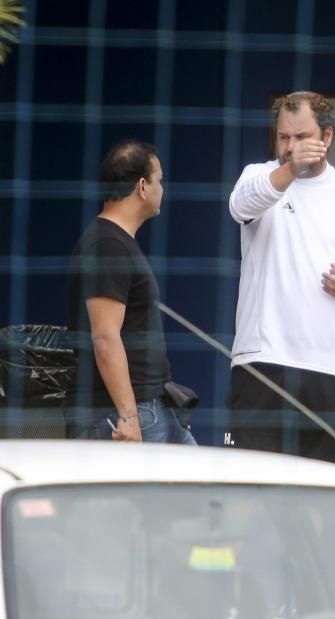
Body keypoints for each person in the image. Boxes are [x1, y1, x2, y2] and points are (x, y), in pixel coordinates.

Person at [227, 91, 335, 463]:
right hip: (262, 361)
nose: (291, 147)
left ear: (328, 137)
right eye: (284, 137)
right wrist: (288, 169)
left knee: (325, 491)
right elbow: (240, 206)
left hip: (329, 367)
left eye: (301, 137)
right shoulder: (259, 176)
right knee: (251, 484)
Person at [64, 140, 196, 444]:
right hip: (120, 413)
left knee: (198, 487)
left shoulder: (116, 241)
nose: (163, 188)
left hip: (154, 405)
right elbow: (105, 336)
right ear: (142, 186)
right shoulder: (106, 244)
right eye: (159, 180)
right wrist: (128, 416)